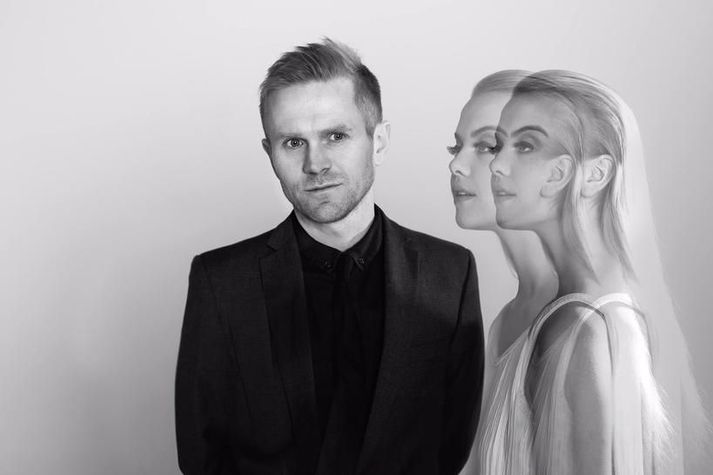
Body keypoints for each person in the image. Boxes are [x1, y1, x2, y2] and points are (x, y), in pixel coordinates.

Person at [174, 38, 485, 474]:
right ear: (269, 153)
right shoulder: (220, 281)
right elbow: (201, 454)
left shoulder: (450, 273)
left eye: (336, 136)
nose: (315, 164)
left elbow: (451, 445)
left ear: (379, 141)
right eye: (292, 142)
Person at [476, 70, 708, 474]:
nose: (496, 164)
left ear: (596, 174)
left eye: (526, 145)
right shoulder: (579, 318)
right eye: (499, 144)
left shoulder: (586, 330)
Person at [446, 71, 558, 474]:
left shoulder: (581, 322)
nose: (456, 164)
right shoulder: (506, 322)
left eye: (487, 146)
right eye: (456, 146)